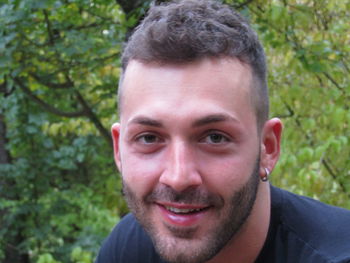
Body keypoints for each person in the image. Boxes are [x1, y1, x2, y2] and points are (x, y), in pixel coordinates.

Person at [95, 0, 350, 262]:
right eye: (149, 138)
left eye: (214, 137)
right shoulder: (127, 248)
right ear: (118, 150)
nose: (178, 177)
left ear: (268, 147)